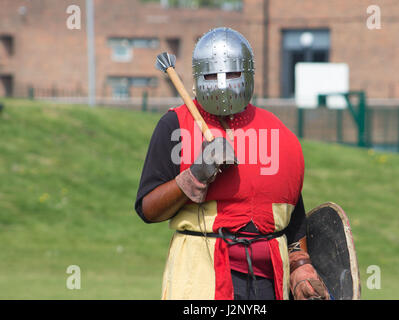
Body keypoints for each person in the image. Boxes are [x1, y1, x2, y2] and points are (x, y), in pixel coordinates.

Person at [135, 27, 329, 300]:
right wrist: (194, 175)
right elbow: (148, 209)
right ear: (197, 77)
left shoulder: (277, 132)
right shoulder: (175, 125)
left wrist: (300, 264)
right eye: (212, 75)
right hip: (201, 281)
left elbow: (292, 219)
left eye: (233, 73)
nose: (223, 84)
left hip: (269, 283)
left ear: (248, 75)